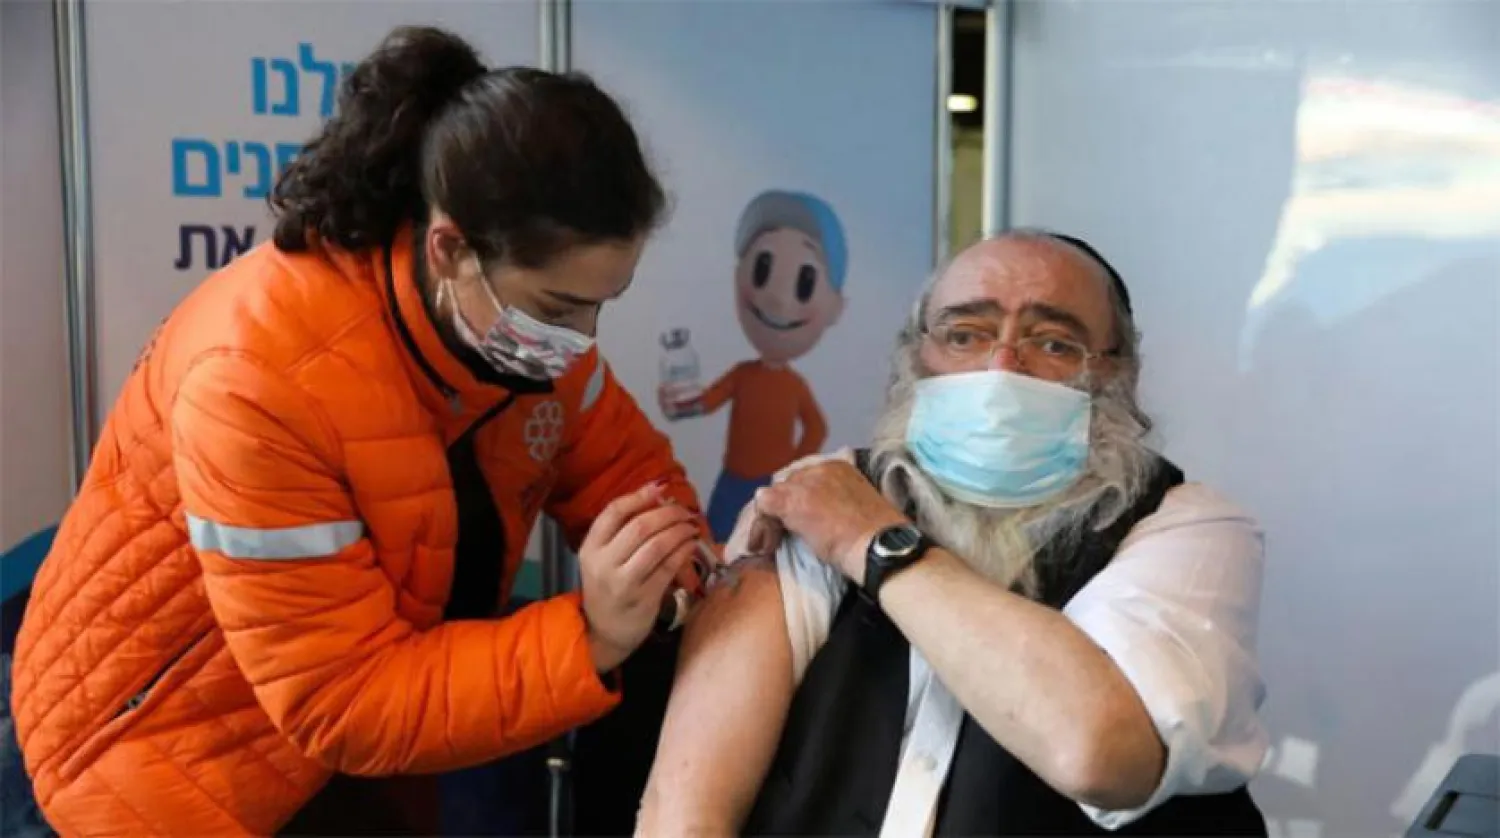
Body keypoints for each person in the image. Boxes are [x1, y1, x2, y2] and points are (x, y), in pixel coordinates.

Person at [11, 25, 710, 836]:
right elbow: (341, 701)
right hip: (155, 774)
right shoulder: (258, 380)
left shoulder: (516, 333)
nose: (581, 339)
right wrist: (587, 637)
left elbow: (633, 476)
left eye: (602, 304)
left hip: (346, 757)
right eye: (558, 307)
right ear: (451, 247)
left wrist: (679, 563)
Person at [638, 231, 1271, 835]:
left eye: (1052, 343)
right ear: (917, 359)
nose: (1001, 368)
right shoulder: (818, 492)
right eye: (965, 334)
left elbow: (1098, 751)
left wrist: (873, 540)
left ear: (1116, 375)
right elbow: (686, 810)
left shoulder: (1187, 527)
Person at [660, 190, 845, 541]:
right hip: (732, 480)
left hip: (771, 485)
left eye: (805, 282)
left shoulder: (794, 386)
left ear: (835, 306)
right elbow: (709, 400)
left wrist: (791, 470)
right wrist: (681, 405)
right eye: (761, 269)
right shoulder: (742, 375)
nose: (775, 298)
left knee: (766, 549)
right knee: (716, 540)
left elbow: (816, 428)